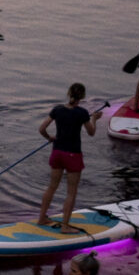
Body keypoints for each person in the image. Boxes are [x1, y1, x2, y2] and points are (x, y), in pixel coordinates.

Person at [33, 84, 97, 230]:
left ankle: (42, 218)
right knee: (71, 192)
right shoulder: (82, 113)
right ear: (82, 96)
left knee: (52, 187)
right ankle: (65, 227)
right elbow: (91, 132)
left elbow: (42, 129)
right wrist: (94, 120)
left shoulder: (57, 109)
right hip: (73, 155)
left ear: (69, 93)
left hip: (57, 153)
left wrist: (49, 138)